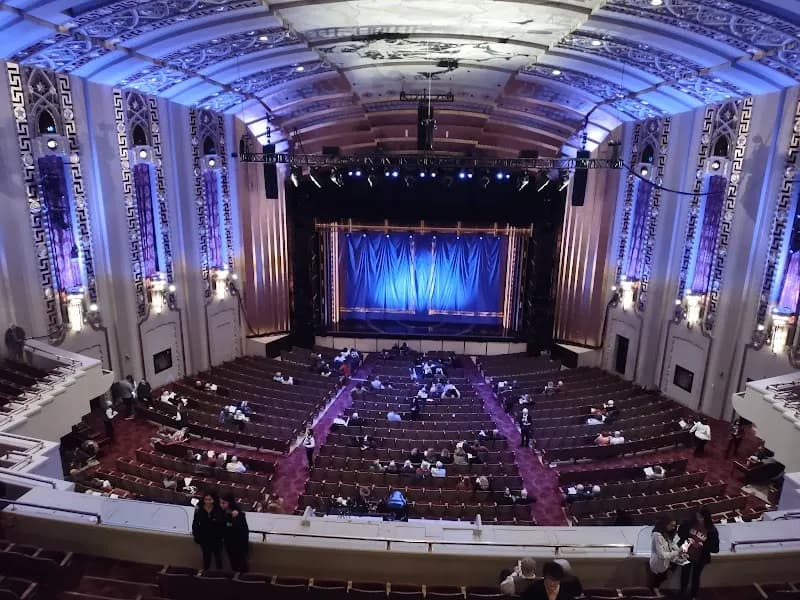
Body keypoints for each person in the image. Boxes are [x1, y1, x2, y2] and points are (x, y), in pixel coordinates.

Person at [678, 507, 719, 600]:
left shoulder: (711, 530)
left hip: (701, 557)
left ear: (705, 517)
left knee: (695, 577)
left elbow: (715, 548)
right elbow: (680, 532)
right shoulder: (690, 523)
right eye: (697, 516)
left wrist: (703, 545)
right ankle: (682, 593)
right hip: (687, 554)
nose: (698, 518)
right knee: (684, 575)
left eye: (700, 516)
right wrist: (687, 538)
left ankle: (693, 596)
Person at [192, 491, 225, 571]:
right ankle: (206, 573)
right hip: (204, 537)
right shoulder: (199, 509)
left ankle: (219, 574)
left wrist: (222, 536)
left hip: (217, 538)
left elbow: (222, 524)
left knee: (218, 557)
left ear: (214, 500)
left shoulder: (219, 509)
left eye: (210, 499)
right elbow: (195, 523)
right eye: (206, 499)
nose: (208, 502)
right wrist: (196, 535)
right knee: (206, 557)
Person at [649, 515, 680, 591]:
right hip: (658, 563)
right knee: (658, 579)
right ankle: (655, 591)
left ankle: (656, 590)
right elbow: (661, 554)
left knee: (661, 578)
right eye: (671, 525)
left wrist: (680, 550)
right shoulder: (657, 535)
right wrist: (677, 552)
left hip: (665, 562)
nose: (673, 528)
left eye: (674, 526)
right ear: (665, 524)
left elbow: (672, 544)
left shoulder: (666, 533)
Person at [219, 493, 249, 572]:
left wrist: (232, 519)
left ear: (230, 503)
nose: (221, 505)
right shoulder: (222, 514)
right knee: (233, 565)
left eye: (223, 503)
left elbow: (243, 531)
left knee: (242, 567)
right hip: (229, 544)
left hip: (239, 545)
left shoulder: (239, 514)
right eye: (220, 503)